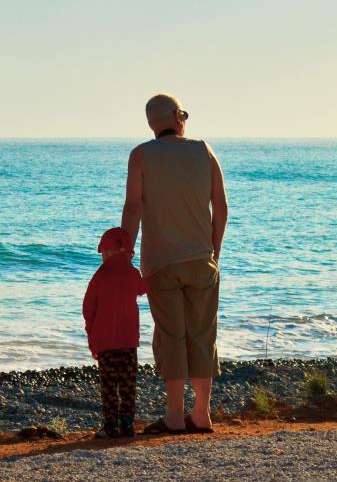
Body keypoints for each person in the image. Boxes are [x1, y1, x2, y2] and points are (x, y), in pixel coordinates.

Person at [121, 93, 228, 434]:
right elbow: (221, 208)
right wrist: (214, 251)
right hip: (201, 259)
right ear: (177, 117)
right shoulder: (203, 150)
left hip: (161, 262)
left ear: (153, 123)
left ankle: (173, 415)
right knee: (201, 335)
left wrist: (126, 255)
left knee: (171, 337)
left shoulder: (140, 156)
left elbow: (133, 208)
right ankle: (201, 413)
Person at [82, 226, 148, 439]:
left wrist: (91, 335)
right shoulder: (132, 273)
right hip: (128, 342)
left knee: (109, 386)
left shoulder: (100, 276)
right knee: (128, 384)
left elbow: (88, 309)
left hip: (106, 344)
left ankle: (110, 426)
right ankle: (127, 424)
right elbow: (143, 287)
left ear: (107, 253)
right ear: (128, 253)